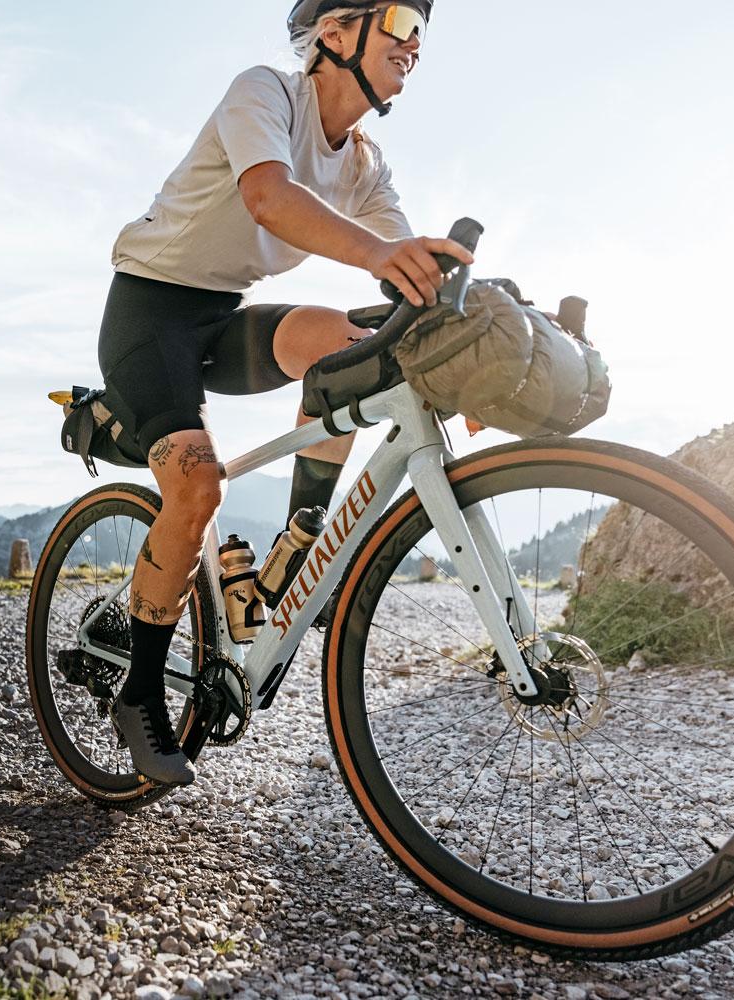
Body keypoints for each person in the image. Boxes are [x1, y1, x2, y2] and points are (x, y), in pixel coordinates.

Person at [101, 1, 473, 785]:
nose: (413, 44)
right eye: (399, 20)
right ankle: (139, 691)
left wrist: (460, 348)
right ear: (335, 32)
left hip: (222, 314)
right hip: (150, 313)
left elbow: (405, 273)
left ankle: (300, 539)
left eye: (422, 32)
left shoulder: (365, 164)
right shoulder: (264, 91)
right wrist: (380, 253)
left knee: (351, 343)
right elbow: (269, 197)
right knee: (197, 485)